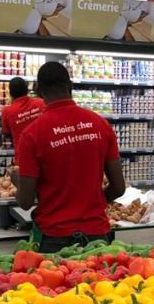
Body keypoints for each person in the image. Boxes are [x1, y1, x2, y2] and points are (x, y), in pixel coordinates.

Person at [15, 61, 126, 252]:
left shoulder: (32, 134)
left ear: (38, 91)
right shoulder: (100, 124)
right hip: (98, 236)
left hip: (54, 238)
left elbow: (25, 202)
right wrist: (94, 203)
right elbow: (118, 187)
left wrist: (16, 179)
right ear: (70, 86)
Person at [0, 76, 46, 147]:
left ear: (10, 93)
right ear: (27, 90)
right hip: (42, 150)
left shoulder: (6, 111)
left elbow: (7, 133)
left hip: (22, 152)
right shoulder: (41, 103)